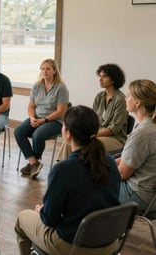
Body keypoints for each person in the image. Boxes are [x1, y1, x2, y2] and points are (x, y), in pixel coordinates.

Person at [14, 105, 121, 255]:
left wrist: (42, 211)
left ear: (68, 134)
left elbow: (49, 220)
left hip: (75, 246)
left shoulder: (63, 169)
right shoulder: (110, 161)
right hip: (110, 242)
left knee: (22, 219)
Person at [57, 63, 128, 161]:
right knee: (69, 141)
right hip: (95, 134)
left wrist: (90, 135)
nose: (100, 79)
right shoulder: (99, 96)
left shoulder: (121, 100)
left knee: (82, 144)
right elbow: (91, 119)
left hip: (115, 138)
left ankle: (69, 171)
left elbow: (114, 129)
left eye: (104, 76)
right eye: (100, 76)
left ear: (113, 79)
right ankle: (63, 168)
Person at [14, 59, 69, 178]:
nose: (45, 71)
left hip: (55, 121)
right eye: (43, 68)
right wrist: (32, 117)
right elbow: (31, 106)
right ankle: (34, 162)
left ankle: (34, 162)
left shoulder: (61, 88)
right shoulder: (37, 86)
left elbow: (61, 111)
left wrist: (44, 120)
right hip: (37, 118)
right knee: (18, 131)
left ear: (55, 71)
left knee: (37, 135)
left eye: (48, 68)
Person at [117, 79, 156, 217]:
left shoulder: (143, 133)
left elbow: (122, 174)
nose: (125, 98)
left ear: (137, 102)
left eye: (128, 95)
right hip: (151, 195)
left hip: (138, 196)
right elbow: (134, 158)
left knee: (87, 186)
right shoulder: (150, 126)